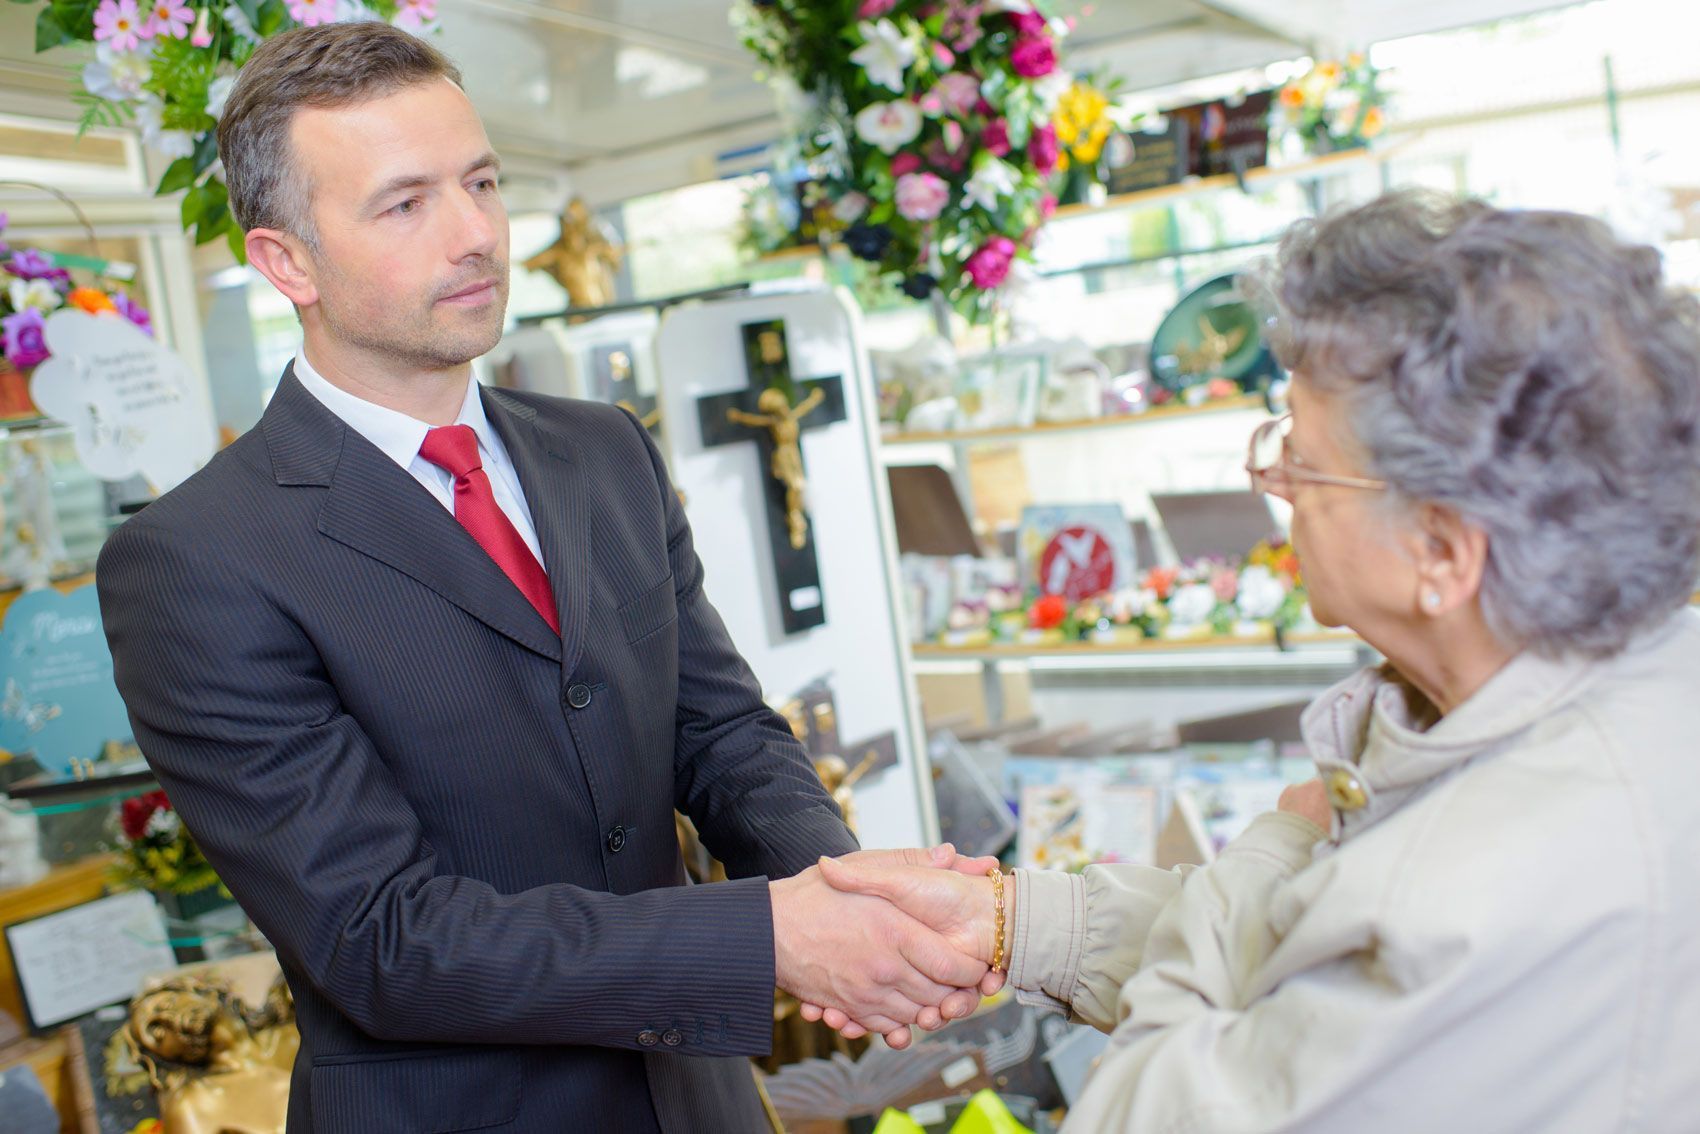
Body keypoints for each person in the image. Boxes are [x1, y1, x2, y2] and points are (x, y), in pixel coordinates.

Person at [97, 23, 986, 1133]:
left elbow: (719, 733)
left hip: (698, 1101)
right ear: (284, 261)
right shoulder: (196, 560)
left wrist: (858, 901)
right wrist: (772, 938)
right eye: (404, 203)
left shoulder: (603, 447)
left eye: (480, 181)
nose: (475, 234)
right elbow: (382, 939)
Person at [816, 191, 1700, 1130]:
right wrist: (1015, 925)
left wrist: (1278, 844)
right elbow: (1293, 981)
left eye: (1302, 463)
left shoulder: (1462, 896)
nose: (1270, 486)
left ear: (1442, 549)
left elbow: (1145, 1106)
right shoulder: (1614, 686)